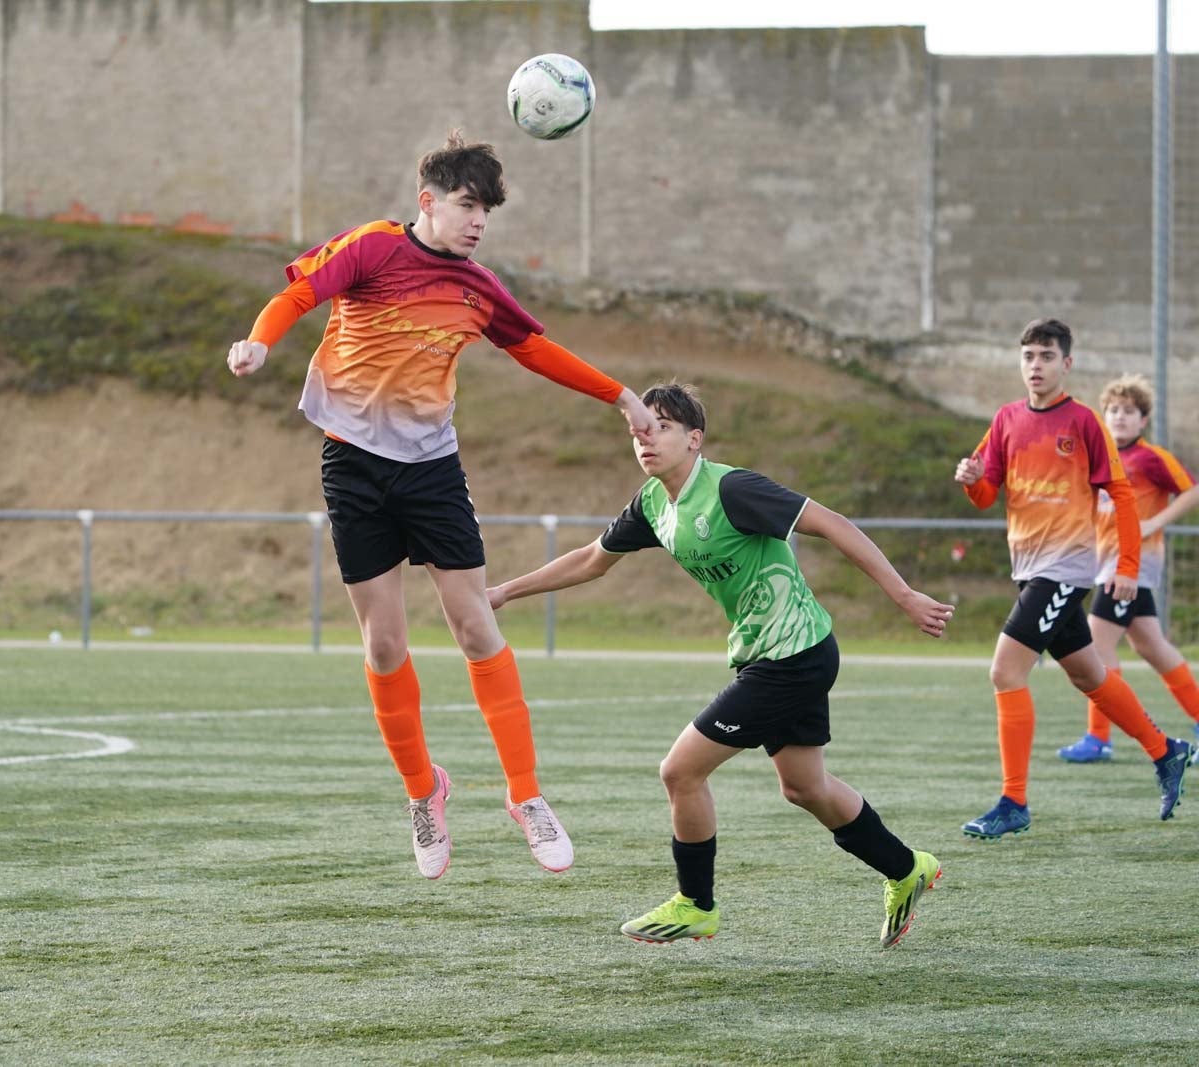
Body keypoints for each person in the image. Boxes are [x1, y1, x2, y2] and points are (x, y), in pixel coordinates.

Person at [225, 131, 655, 879]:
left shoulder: (479, 287)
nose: (478, 220)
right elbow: (299, 291)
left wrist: (620, 395)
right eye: (466, 205)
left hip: (431, 471)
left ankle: (527, 795)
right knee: (383, 645)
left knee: (473, 623)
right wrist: (261, 341)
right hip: (352, 466)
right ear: (428, 201)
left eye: (486, 209)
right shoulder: (373, 248)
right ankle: (424, 791)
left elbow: (535, 349)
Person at [487, 381, 950, 949]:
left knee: (680, 771)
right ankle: (908, 869)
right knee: (805, 788)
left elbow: (833, 524)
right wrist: (504, 592)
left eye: (660, 426)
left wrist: (904, 597)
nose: (645, 437)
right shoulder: (654, 503)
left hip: (791, 657)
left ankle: (696, 905)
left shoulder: (732, 489)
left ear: (694, 439)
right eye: (639, 429)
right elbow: (591, 560)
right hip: (776, 653)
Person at [953, 318, 1190, 838]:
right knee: (1089, 675)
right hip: (1029, 566)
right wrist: (972, 481)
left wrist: (1127, 568)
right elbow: (987, 491)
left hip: (1066, 568)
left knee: (1005, 671)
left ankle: (1013, 803)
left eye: (1045, 356)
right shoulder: (1006, 419)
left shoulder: (1084, 422)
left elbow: (1122, 494)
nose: (1035, 366)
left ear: (1067, 363)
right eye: (1028, 357)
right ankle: (1166, 750)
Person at [1057, 374, 1199, 763]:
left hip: (1128, 568)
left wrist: (1156, 523)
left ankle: (1098, 738)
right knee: (1151, 646)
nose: (1120, 417)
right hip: (1105, 565)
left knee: (1097, 647)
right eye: (1113, 410)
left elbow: (1192, 489)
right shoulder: (1098, 456)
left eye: (1129, 411)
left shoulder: (1151, 457)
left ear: (1143, 420)